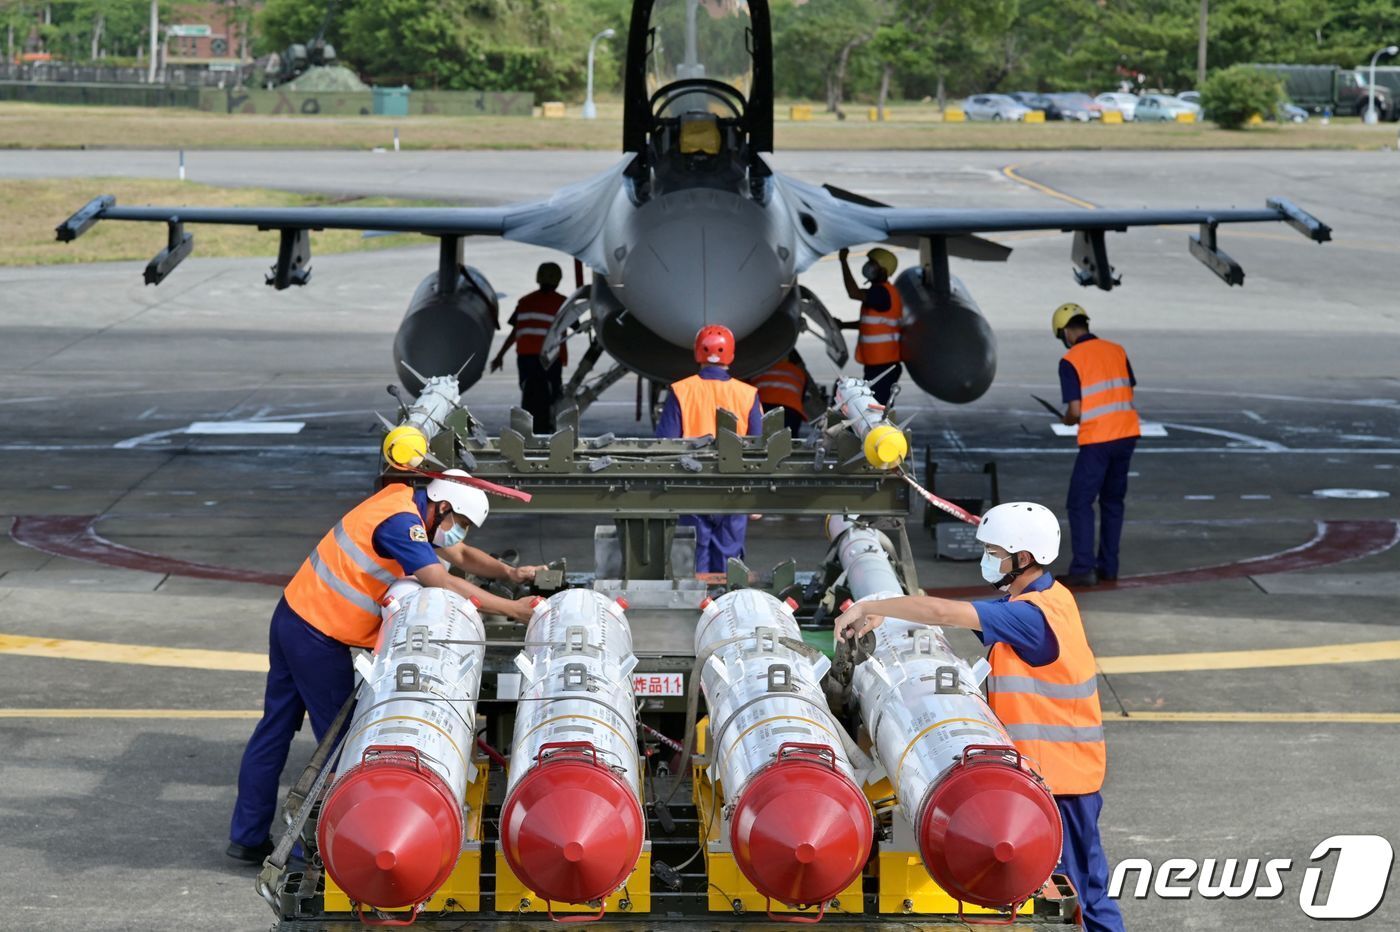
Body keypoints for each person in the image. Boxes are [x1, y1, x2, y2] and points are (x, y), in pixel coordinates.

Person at [226, 469, 544, 864]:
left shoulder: (405, 505)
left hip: (294, 615)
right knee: (339, 744)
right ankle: (302, 852)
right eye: (459, 524)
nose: (459, 533)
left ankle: (247, 835)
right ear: (443, 508)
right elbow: (438, 581)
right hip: (318, 635)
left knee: (274, 729)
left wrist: (509, 573)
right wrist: (513, 610)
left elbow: (458, 555)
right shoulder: (400, 524)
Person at [834, 502, 1124, 932]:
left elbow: (944, 613)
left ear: (1021, 559)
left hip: (1064, 780)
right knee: (1043, 881)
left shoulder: (1030, 616)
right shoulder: (1042, 599)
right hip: (1047, 773)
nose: (987, 559)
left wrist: (870, 608)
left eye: (994, 551)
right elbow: (964, 612)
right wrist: (892, 610)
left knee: (1082, 891)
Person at [656, 325, 763, 574]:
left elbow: (665, 443)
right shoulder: (747, 394)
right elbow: (759, 447)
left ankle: (698, 609)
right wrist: (757, 498)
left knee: (693, 564)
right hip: (734, 489)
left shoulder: (681, 391)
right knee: (729, 566)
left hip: (691, 489)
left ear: (697, 353)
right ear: (732, 355)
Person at [1052, 303, 1139, 587]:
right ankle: (1108, 568)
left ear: (1065, 331)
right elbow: (1126, 387)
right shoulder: (1117, 350)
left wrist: (1067, 419)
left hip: (1098, 440)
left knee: (1079, 502)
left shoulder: (1071, 360)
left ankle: (1082, 568)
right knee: (1113, 502)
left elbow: (1076, 410)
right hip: (1126, 434)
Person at [490, 262, 568, 433]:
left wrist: (500, 355)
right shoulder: (563, 303)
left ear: (538, 279)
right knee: (553, 396)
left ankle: (527, 429)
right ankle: (550, 430)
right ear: (558, 280)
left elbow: (515, 331)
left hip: (526, 357)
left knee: (528, 392)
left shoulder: (524, 302)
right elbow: (574, 325)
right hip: (550, 358)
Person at [838, 246, 904, 406]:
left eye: (872, 264)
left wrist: (843, 261)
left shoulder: (881, 293)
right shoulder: (880, 292)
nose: (868, 267)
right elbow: (870, 324)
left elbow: (853, 293)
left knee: (876, 410)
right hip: (879, 364)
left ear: (883, 270)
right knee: (874, 407)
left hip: (884, 366)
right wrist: (843, 325)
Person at [754, 348, 811, 436]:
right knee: (789, 441)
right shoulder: (798, 373)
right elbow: (802, 397)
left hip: (764, 406)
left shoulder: (757, 369)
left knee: (763, 440)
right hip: (791, 409)